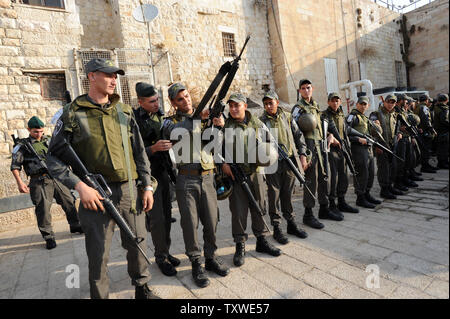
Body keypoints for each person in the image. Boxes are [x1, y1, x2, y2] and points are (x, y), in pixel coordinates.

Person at [46, 58, 158, 299]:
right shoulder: (72, 114)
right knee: (98, 254)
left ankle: (142, 288)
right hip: (94, 196)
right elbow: (52, 158)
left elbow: (139, 152)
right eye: (108, 75)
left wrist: (147, 185)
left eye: (116, 76)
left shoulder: (124, 111)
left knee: (137, 243)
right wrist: (78, 186)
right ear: (92, 76)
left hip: (129, 191)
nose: (113, 80)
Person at [162, 82, 229, 288]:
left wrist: (218, 127)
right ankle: (196, 262)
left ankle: (210, 257)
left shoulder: (205, 119)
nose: (186, 100)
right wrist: (198, 118)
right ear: (173, 103)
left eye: (187, 96)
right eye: (180, 99)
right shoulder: (170, 122)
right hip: (186, 178)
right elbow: (174, 134)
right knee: (190, 224)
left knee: (212, 220)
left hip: (208, 176)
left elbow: (214, 146)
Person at [221, 93, 282, 266]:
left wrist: (273, 153)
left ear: (245, 106)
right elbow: (216, 148)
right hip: (236, 175)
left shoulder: (257, 123)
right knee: (238, 212)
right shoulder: (225, 127)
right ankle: (240, 245)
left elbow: (271, 141)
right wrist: (223, 164)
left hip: (256, 173)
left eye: (236, 105)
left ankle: (261, 241)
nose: (233, 109)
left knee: (259, 206)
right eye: (230, 106)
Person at [10, 116, 83, 250]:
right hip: (39, 180)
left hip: (57, 177)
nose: (39, 134)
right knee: (43, 210)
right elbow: (15, 166)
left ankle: (75, 225)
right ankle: (48, 236)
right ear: (29, 130)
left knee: (69, 201)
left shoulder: (50, 140)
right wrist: (20, 183)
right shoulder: (22, 146)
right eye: (35, 132)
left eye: (41, 131)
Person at [133, 82, 180, 277]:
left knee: (167, 216)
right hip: (148, 178)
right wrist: (153, 148)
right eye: (152, 101)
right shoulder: (133, 121)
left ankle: (165, 251)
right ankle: (161, 257)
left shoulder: (161, 117)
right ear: (140, 102)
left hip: (164, 172)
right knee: (157, 220)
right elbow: (132, 153)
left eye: (157, 100)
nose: (156, 103)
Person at [291, 79, 342, 230]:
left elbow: (320, 126)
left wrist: (329, 135)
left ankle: (324, 209)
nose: (306, 90)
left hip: (321, 146)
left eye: (308, 88)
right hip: (309, 147)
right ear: (299, 91)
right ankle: (308, 214)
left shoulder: (316, 106)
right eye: (303, 88)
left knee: (324, 177)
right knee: (311, 180)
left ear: (312, 89)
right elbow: (295, 132)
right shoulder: (297, 108)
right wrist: (302, 153)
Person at [258, 90, 308, 245]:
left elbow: (298, 136)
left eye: (270, 102)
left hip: (289, 161)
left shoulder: (287, 117)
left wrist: (303, 154)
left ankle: (291, 224)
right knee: (274, 195)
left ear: (277, 102)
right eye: (266, 103)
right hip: (271, 164)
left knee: (288, 193)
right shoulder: (260, 121)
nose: (268, 106)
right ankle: (277, 227)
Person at [322, 93, 359, 214]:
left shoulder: (341, 114)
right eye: (332, 101)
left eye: (337, 101)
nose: (335, 103)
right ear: (328, 102)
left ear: (340, 102)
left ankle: (341, 201)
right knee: (334, 178)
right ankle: (332, 204)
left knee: (344, 176)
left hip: (342, 149)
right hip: (331, 150)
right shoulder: (324, 115)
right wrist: (330, 136)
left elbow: (344, 130)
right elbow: (321, 131)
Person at [346, 96, 382, 208]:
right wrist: (358, 139)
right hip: (358, 149)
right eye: (361, 104)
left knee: (370, 173)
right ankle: (360, 198)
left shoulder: (365, 117)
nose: (363, 106)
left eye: (365, 104)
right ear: (357, 104)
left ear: (368, 106)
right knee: (362, 173)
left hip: (368, 148)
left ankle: (367, 194)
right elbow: (345, 132)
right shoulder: (353, 116)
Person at [369, 94, 405, 199]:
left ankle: (390, 186)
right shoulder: (376, 114)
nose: (390, 104)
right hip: (381, 145)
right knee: (383, 168)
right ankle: (384, 190)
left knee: (392, 167)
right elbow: (372, 130)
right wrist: (377, 145)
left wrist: (399, 134)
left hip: (392, 145)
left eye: (393, 102)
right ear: (384, 102)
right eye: (388, 102)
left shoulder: (394, 114)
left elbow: (395, 128)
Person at [394, 95, 419, 189]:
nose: (407, 102)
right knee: (401, 161)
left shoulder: (402, 110)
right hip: (401, 139)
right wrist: (400, 129)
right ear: (400, 101)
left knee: (408, 160)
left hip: (406, 137)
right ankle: (399, 182)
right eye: (405, 100)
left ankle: (406, 178)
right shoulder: (396, 110)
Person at [414, 93, 438, 173]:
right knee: (426, 150)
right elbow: (426, 120)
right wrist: (432, 129)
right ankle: (425, 166)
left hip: (420, 131)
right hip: (425, 131)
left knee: (424, 150)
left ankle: (425, 165)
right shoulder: (424, 107)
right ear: (426, 100)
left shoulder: (417, 106)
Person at [433, 93, 449, 169]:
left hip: (438, 130)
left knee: (441, 148)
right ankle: (443, 163)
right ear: (446, 100)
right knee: (444, 148)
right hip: (443, 131)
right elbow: (445, 120)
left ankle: (442, 162)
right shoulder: (444, 108)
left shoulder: (436, 107)